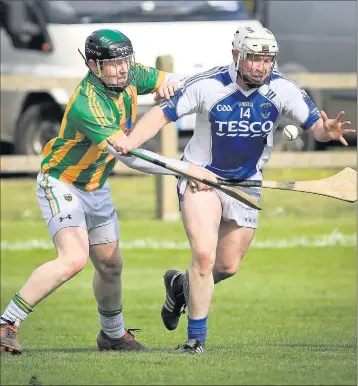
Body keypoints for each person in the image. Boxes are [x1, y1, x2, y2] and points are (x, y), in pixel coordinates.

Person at [107, 26, 354, 354]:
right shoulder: (209, 85)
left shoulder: (283, 89)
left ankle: (180, 286)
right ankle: (196, 339)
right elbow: (161, 114)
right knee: (205, 256)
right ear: (236, 56)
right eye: (253, 59)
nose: (261, 67)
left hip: (247, 183)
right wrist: (131, 141)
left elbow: (317, 128)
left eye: (267, 60)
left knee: (226, 266)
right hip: (201, 178)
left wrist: (327, 131)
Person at [0, 28, 209, 354]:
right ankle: (7, 323)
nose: (123, 69)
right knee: (73, 259)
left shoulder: (129, 75)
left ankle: (111, 336)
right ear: (94, 66)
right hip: (61, 182)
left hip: (96, 186)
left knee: (111, 265)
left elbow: (181, 81)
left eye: (126, 61)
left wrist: (173, 85)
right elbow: (130, 155)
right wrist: (184, 169)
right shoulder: (89, 102)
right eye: (113, 64)